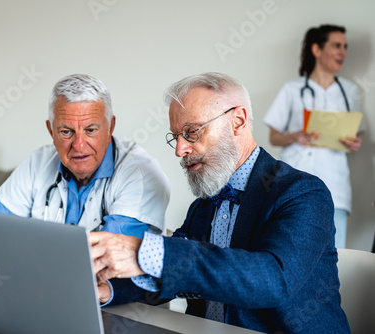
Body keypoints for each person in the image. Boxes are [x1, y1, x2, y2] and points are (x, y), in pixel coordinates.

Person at [90, 72, 350, 333]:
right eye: (176, 136)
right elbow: (180, 273)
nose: (180, 150)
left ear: (238, 121)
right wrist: (109, 290)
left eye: (191, 132)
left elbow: (274, 280)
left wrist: (145, 251)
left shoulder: (303, 192)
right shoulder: (204, 203)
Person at [0, 74, 170, 264]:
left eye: (90, 130)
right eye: (66, 131)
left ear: (110, 128)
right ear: (51, 131)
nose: (78, 145)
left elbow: (109, 264)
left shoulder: (140, 175)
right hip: (38, 292)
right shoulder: (37, 163)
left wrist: (25, 254)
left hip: (115, 303)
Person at [264, 24, 363, 249]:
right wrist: (295, 136)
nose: (343, 52)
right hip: (296, 179)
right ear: (316, 49)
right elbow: (273, 137)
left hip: (335, 185)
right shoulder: (292, 89)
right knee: (290, 247)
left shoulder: (350, 91)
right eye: (336, 46)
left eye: (345, 47)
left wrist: (354, 142)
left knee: (335, 255)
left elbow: (358, 134)